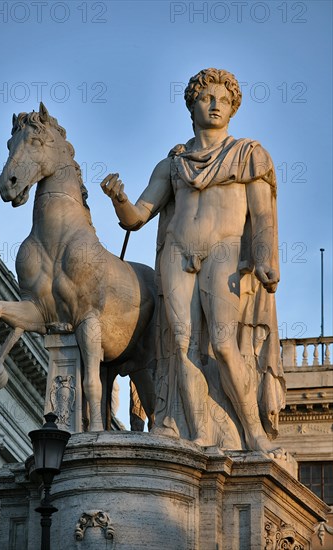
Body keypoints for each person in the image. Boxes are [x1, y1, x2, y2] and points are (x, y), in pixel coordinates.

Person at [101, 68, 285, 456]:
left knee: (222, 342)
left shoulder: (247, 155)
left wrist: (267, 257)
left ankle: (253, 432)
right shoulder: (174, 164)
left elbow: (263, 216)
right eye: (207, 98)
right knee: (181, 344)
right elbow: (137, 217)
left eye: (223, 99)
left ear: (233, 107)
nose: (215, 105)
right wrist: (118, 197)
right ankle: (197, 431)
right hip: (177, 253)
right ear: (192, 106)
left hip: (225, 252)